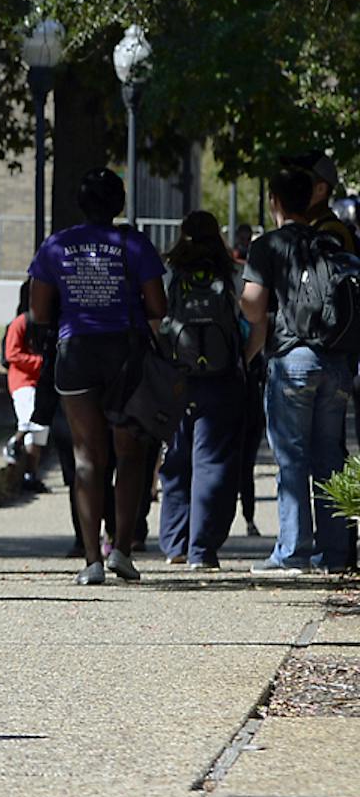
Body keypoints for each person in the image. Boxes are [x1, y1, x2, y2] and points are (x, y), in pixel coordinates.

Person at [26, 166, 166, 585]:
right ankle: (122, 549)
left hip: (76, 353)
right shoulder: (134, 244)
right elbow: (157, 306)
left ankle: (91, 559)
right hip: (125, 352)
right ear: (119, 204)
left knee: (87, 457)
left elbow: (38, 311)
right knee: (130, 454)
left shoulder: (57, 246)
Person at [245, 166, 358, 574]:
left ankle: (292, 551)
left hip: (292, 359)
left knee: (292, 457)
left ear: (274, 199)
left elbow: (253, 306)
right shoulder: (329, 241)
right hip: (337, 361)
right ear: (310, 197)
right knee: (330, 456)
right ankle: (335, 553)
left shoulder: (268, 247)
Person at [156, 210, 249, 569]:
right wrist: (245, 359)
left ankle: (174, 543)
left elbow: (156, 319)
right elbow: (251, 318)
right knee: (213, 462)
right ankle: (203, 549)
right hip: (223, 378)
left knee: (176, 459)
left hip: (176, 378)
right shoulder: (231, 274)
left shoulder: (169, 273)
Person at [2, 287, 50, 492]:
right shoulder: (20, 323)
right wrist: (39, 362)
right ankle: (14, 442)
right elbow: (12, 354)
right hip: (23, 381)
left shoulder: (48, 323)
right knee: (30, 418)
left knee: (39, 431)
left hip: (42, 382)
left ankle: (31, 475)